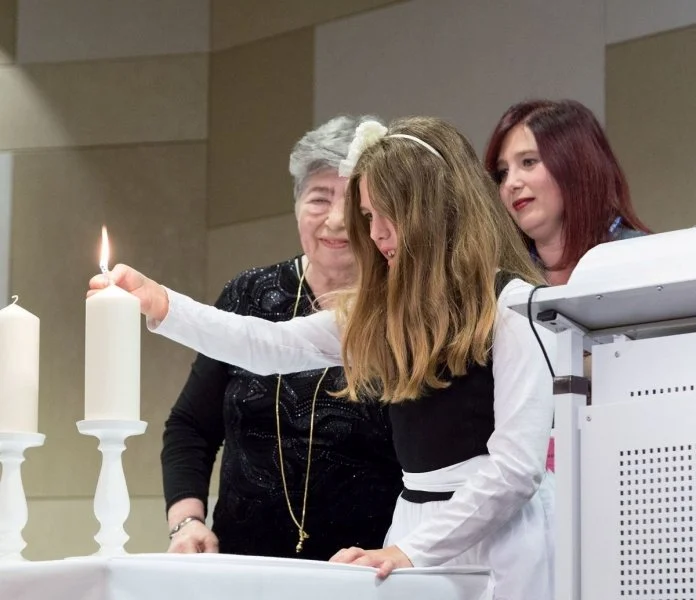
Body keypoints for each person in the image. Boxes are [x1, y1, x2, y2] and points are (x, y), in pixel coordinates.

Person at [90, 117, 556, 600]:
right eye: (369, 216)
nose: (375, 234)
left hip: (497, 536)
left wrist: (411, 550)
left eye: (387, 215)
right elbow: (267, 344)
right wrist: (162, 303)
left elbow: (516, 468)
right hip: (412, 530)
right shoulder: (386, 313)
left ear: (433, 207)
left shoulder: (513, 305)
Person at [161, 115, 402, 559]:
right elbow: (191, 426)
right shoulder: (248, 294)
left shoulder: (405, 309)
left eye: (354, 203)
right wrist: (187, 520)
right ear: (296, 206)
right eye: (319, 198)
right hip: (243, 564)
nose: (336, 220)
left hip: (365, 570)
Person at [484, 99, 650, 469]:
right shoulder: (500, 285)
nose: (512, 183)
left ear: (576, 164)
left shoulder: (642, 262)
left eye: (529, 162)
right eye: (502, 172)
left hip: (631, 474)